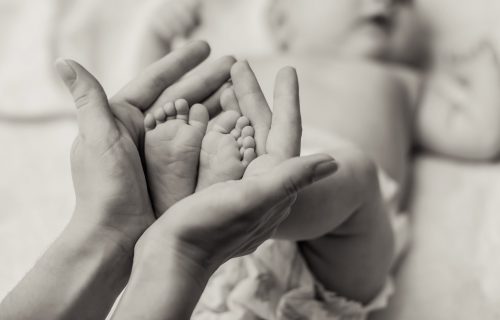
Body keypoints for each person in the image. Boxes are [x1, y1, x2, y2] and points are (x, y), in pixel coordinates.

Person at [141, 0, 500, 319]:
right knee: (186, 124)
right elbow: (156, 97)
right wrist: (157, 40)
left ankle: (248, 198)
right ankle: (224, 192)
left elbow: (481, 135)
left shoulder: (403, 83)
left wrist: (485, 67)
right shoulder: (243, 66)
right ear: (281, 20)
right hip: (210, 254)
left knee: (357, 172)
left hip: (335, 250)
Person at [0, 41, 338, 320]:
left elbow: (158, 111)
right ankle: (240, 197)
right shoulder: (268, 53)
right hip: (250, 285)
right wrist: (183, 251)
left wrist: (111, 230)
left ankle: (204, 201)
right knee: (355, 181)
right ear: (279, 17)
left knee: (355, 186)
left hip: (165, 298)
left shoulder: (389, 76)